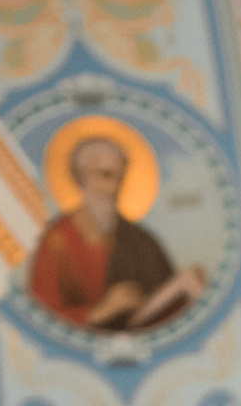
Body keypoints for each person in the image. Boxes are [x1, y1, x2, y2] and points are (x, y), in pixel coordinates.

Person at [26, 132, 206, 336]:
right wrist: (99, 312)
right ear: (81, 176)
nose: (113, 188)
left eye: (120, 178)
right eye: (105, 175)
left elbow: (167, 315)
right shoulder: (56, 240)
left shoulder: (141, 241)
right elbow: (39, 317)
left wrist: (180, 290)